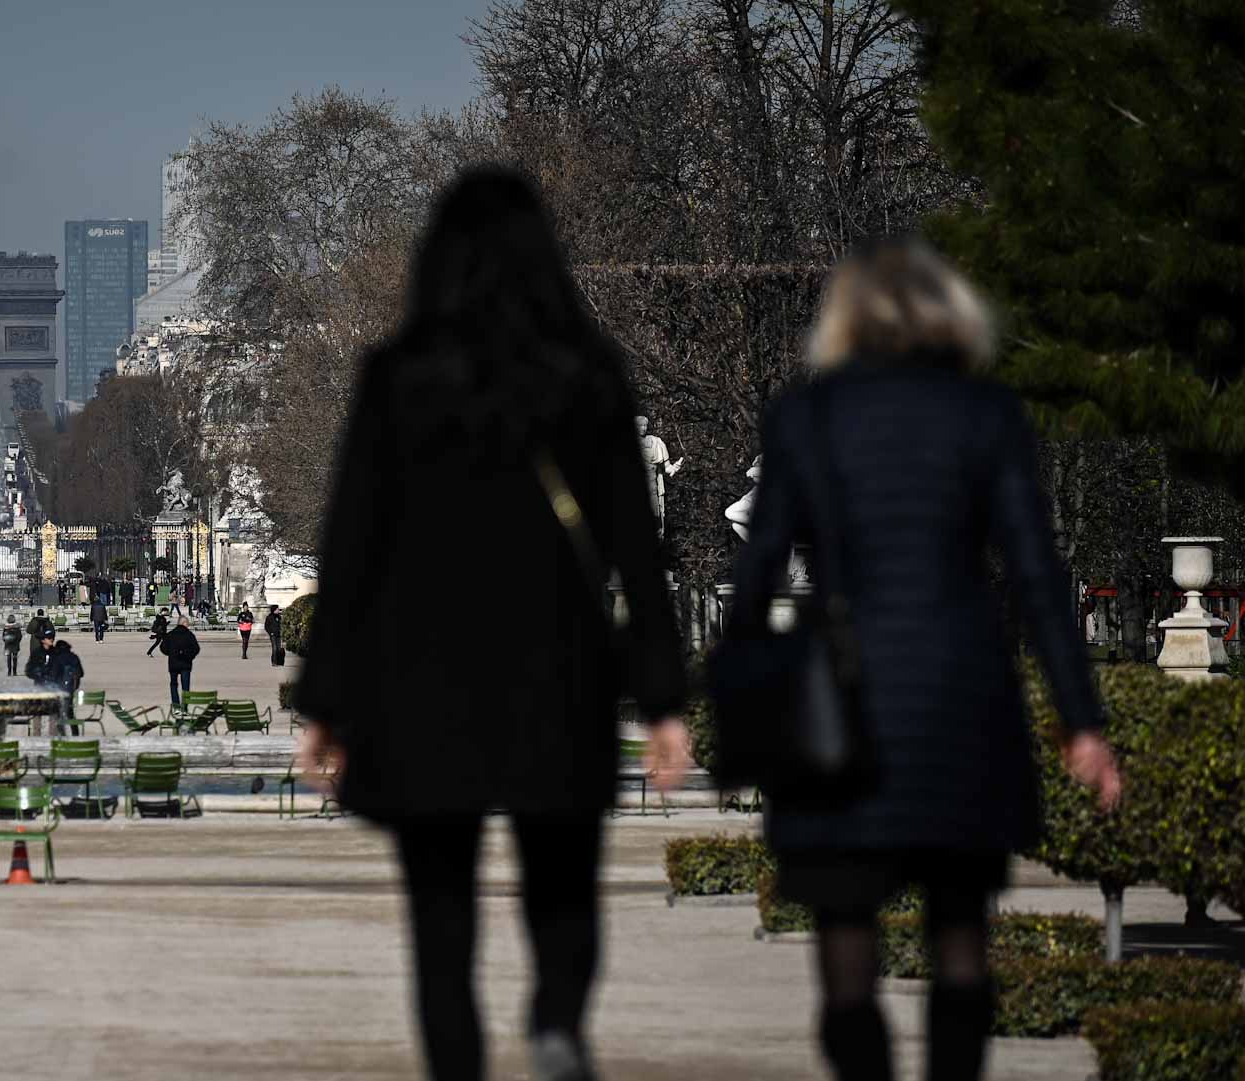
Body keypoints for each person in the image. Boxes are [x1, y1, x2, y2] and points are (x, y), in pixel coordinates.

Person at [291, 168, 691, 1081]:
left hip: (424, 677)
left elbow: (350, 552)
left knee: (441, 924)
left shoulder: (395, 378)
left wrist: (326, 702)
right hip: (560, 666)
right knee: (562, 891)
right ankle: (555, 1020)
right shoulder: (590, 375)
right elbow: (638, 545)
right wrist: (664, 698)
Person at [724, 238, 1122, 1081]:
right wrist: (1081, 719)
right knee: (961, 944)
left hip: (845, 702)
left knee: (844, 958)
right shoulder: (985, 413)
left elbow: (756, 572)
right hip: (960, 696)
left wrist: (744, 702)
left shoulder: (806, 414)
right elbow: (1038, 574)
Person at [158, 615, 200, 706]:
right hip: (186, 663)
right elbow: (196, 648)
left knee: (173, 685)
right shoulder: (189, 635)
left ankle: (176, 705)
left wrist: (170, 653)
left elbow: (163, 647)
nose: (188, 625)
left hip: (173, 663)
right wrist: (189, 656)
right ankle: (184, 707)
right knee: (185, 687)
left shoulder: (171, 634)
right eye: (187, 624)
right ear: (184, 623)